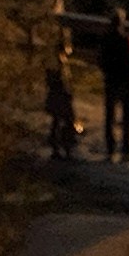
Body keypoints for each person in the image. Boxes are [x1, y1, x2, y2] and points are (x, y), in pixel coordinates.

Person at [95, 12, 129, 162]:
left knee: (110, 116)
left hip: (111, 80)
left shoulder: (105, 40)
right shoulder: (128, 40)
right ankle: (126, 150)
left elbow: (100, 59)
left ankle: (110, 148)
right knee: (126, 118)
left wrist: (106, 72)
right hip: (126, 82)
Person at [44, 37, 80, 165]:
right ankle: (64, 148)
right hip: (61, 97)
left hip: (60, 97)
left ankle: (59, 148)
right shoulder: (59, 64)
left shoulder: (58, 62)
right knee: (64, 122)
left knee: (58, 122)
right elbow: (61, 81)